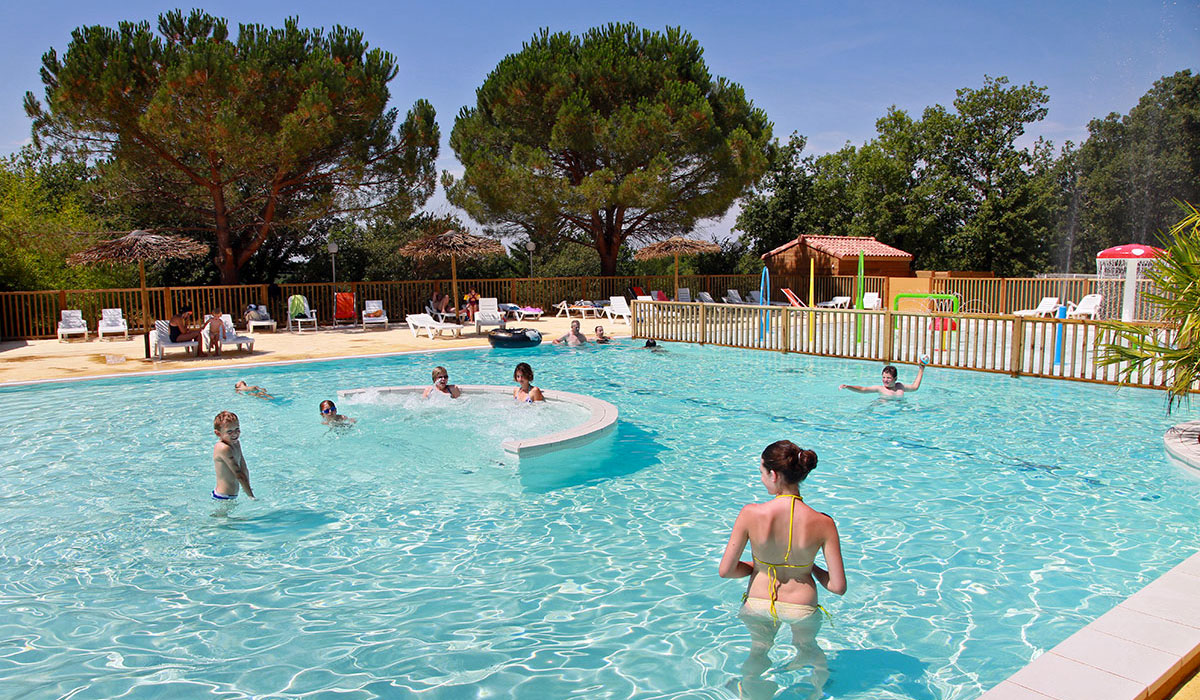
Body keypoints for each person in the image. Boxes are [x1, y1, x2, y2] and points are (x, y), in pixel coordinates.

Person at [719, 440, 845, 696]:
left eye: (762, 473)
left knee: (759, 649)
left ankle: (751, 691)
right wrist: (810, 568)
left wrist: (758, 567)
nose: (763, 479)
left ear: (773, 474)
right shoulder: (823, 522)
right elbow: (838, 587)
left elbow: (726, 570)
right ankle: (818, 691)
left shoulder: (750, 513)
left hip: (758, 602)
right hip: (802, 605)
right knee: (808, 647)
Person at [212, 410, 254, 500]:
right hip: (222, 497)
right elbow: (238, 474)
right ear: (218, 433)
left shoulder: (236, 443)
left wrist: (248, 487)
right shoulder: (223, 448)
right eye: (229, 431)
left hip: (232, 495)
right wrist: (251, 496)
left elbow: (243, 467)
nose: (235, 434)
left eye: (237, 429)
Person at [839, 357, 927, 397]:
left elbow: (915, 387)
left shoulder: (900, 386)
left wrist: (921, 370)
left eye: (888, 378)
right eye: (884, 377)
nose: (885, 380)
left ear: (895, 379)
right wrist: (848, 386)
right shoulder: (880, 389)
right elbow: (863, 389)